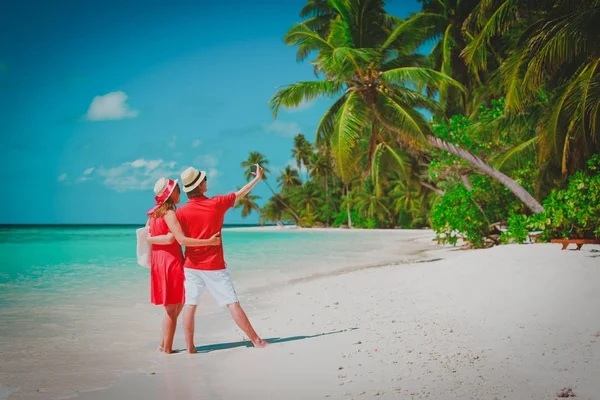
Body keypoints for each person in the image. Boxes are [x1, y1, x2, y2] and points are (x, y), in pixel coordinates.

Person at [176, 165, 268, 353]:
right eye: (204, 179)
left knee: (190, 305)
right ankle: (257, 341)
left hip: (191, 266)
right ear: (200, 186)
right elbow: (241, 193)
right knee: (231, 302)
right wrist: (257, 178)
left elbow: (178, 238)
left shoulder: (181, 212)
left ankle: (190, 348)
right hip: (214, 266)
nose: (207, 181)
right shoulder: (217, 203)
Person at [145, 177, 222, 354]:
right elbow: (180, 239)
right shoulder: (169, 214)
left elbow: (146, 236)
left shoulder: (153, 214)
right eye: (178, 190)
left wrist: (156, 239)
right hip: (170, 261)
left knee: (176, 304)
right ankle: (167, 349)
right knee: (172, 309)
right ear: (171, 194)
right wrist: (208, 242)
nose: (180, 193)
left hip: (159, 261)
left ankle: (163, 344)